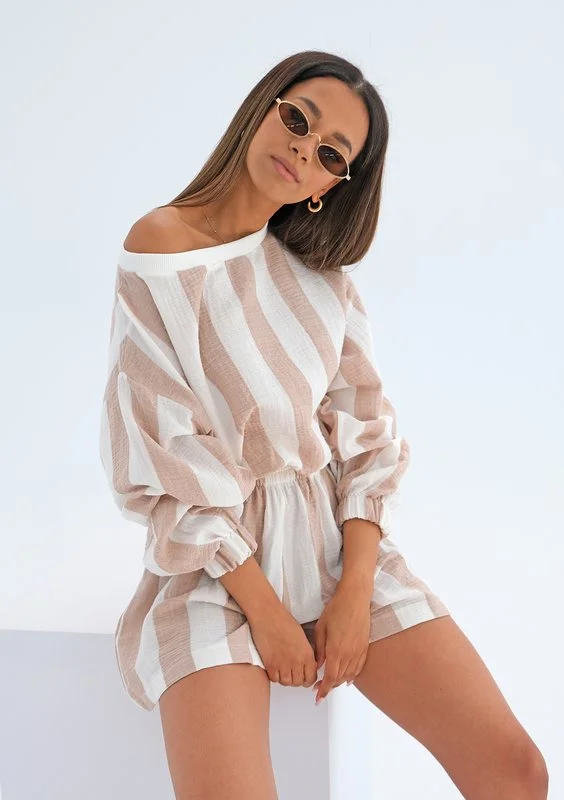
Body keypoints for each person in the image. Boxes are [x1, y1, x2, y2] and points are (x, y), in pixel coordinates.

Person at [99, 49, 548, 800]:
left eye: (331, 154)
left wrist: (354, 592)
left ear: (330, 187)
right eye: (297, 119)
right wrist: (269, 615)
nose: (304, 150)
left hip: (338, 545)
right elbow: (159, 449)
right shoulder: (161, 247)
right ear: (264, 106)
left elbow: (366, 435)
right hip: (216, 568)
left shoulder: (321, 279)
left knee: (516, 771)